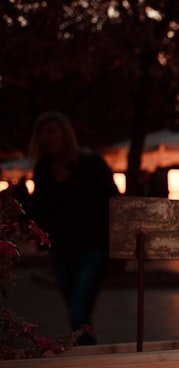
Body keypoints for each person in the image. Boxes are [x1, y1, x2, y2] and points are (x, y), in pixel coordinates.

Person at [27, 111, 119, 345]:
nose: (45, 137)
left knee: (78, 309)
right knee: (76, 310)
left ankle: (87, 354)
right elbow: (40, 207)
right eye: (41, 132)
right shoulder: (43, 169)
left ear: (65, 134)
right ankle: (88, 353)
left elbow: (113, 202)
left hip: (92, 248)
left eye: (51, 130)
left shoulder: (91, 164)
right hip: (61, 250)